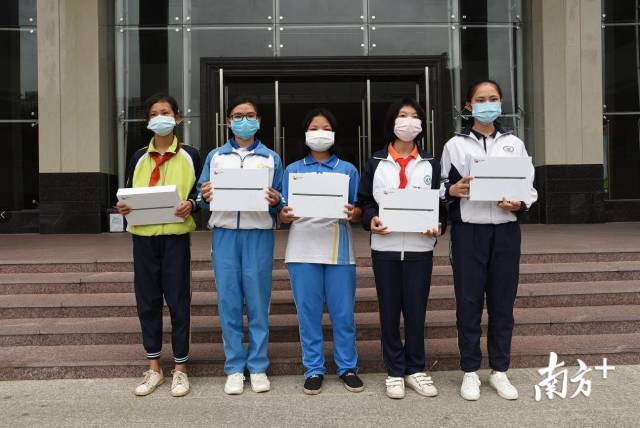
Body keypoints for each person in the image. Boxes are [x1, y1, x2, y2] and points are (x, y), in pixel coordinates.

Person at [440, 79, 537, 401]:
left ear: (501, 103)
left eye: (493, 98)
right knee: (468, 304)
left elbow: (530, 188)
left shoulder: (514, 143)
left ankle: (499, 371)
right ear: (469, 106)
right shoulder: (455, 144)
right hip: (469, 230)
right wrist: (451, 191)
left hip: (506, 231)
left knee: (502, 304)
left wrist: (519, 203)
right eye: (480, 99)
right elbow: (440, 187)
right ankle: (470, 371)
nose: (487, 104)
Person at [358, 97, 446, 399]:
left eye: (414, 116)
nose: (408, 121)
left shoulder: (432, 164)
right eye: (402, 116)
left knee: (416, 310)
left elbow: (441, 207)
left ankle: (416, 368)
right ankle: (394, 370)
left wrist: (439, 225)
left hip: (421, 248)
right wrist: (371, 221)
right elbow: (365, 204)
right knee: (389, 310)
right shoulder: (375, 162)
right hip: (386, 247)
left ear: (421, 124)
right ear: (392, 122)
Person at [116, 93, 202, 397]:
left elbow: (201, 196)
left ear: (177, 118)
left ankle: (180, 369)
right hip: (143, 240)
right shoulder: (137, 155)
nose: (160, 117)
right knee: (147, 302)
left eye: (165, 112)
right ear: (148, 121)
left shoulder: (191, 154)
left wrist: (191, 204)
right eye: (154, 113)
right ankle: (154, 368)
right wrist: (123, 207)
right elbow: (126, 193)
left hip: (176, 239)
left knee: (179, 302)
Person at [197, 97, 283, 395]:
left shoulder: (270, 157)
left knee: (259, 301)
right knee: (229, 301)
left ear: (259, 120)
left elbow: (282, 199)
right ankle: (234, 367)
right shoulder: (216, 156)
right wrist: (204, 195)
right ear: (228, 121)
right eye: (237, 115)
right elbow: (200, 194)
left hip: (258, 234)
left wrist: (277, 201)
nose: (243, 120)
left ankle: (258, 365)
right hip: (224, 235)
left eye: (249, 115)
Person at [279, 108, 364, 395]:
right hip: (302, 249)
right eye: (314, 127)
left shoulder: (347, 169)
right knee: (308, 313)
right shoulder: (292, 170)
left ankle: (347, 367)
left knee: (343, 314)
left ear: (334, 133)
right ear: (305, 134)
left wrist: (355, 213)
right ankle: (314, 368)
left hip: (338, 250)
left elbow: (358, 209)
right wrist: (284, 215)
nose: (319, 132)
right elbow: (281, 211)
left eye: (325, 127)